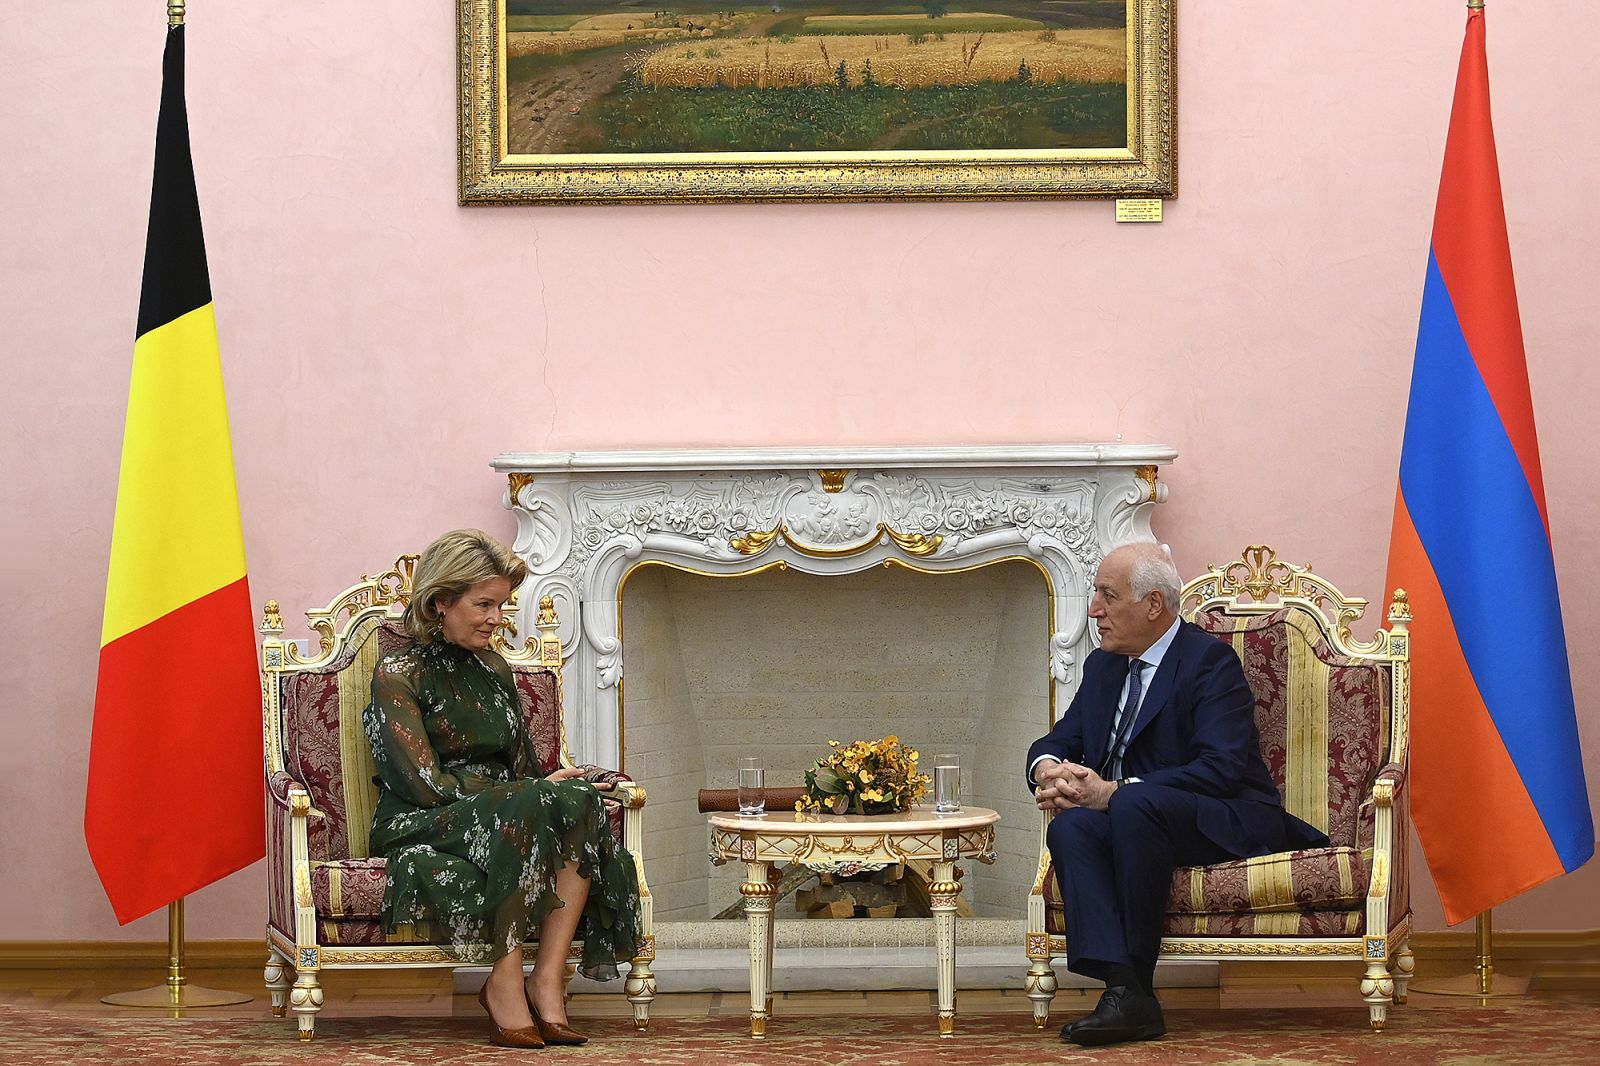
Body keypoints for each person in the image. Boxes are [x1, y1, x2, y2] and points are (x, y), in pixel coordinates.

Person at [1026, 542, 1325, 1047]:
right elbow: (1061, 738)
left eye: (1107, 595)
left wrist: (1113, 791)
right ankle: (1127, 990)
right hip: (1136, 820)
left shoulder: (1209, 662)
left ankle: (1132, 990)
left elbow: (1219, 769)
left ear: (1154, 605)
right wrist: (1050, 770)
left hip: (1218, 817)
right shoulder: (1104, 666)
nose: (1094, 610)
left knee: (1130, 802)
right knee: (1072, 825)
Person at [364, 529, 643, 1048]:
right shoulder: (398, 673)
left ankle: (546, 979)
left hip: (503, 811)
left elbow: (519, 769)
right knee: (528, 802)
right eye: (484, 605)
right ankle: (505, 979)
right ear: (440, 601)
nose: (498, 618)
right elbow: (423, 784)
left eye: (502, 604)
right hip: (424, 817)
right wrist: (515, 795)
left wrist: (537, 788)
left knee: (579, 797)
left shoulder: (494, 667)